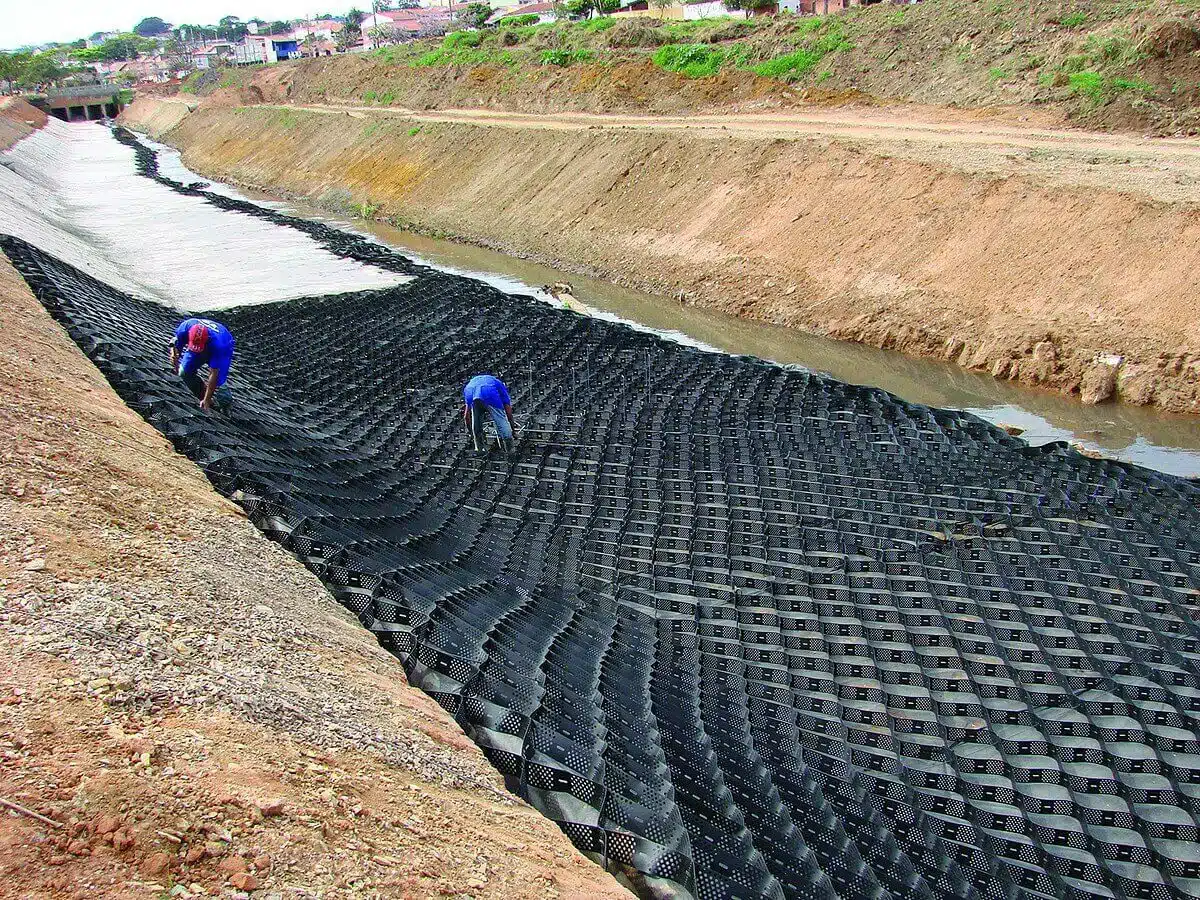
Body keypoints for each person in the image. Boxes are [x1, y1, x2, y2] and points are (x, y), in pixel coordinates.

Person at [168, 317, 235, 412]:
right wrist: (174, 356)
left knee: (220, 382)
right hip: (200, 343)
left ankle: (225, 404)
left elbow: (214, 374)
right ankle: (203, 395)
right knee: (184, 372)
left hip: (223, 345)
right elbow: (175, 344)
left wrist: (207, 399)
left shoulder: (220, 346)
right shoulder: (185, 327)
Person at [463, 374, 516, 454]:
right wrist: (512, 430)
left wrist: (471, 433)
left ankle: (479, 449)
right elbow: (508, 411)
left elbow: (466, 416)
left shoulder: (469, 386)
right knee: (502, 422)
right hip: (490, 393)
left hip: (471, 392)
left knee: (476, 423)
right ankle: (510, 450)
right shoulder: (498, 384)